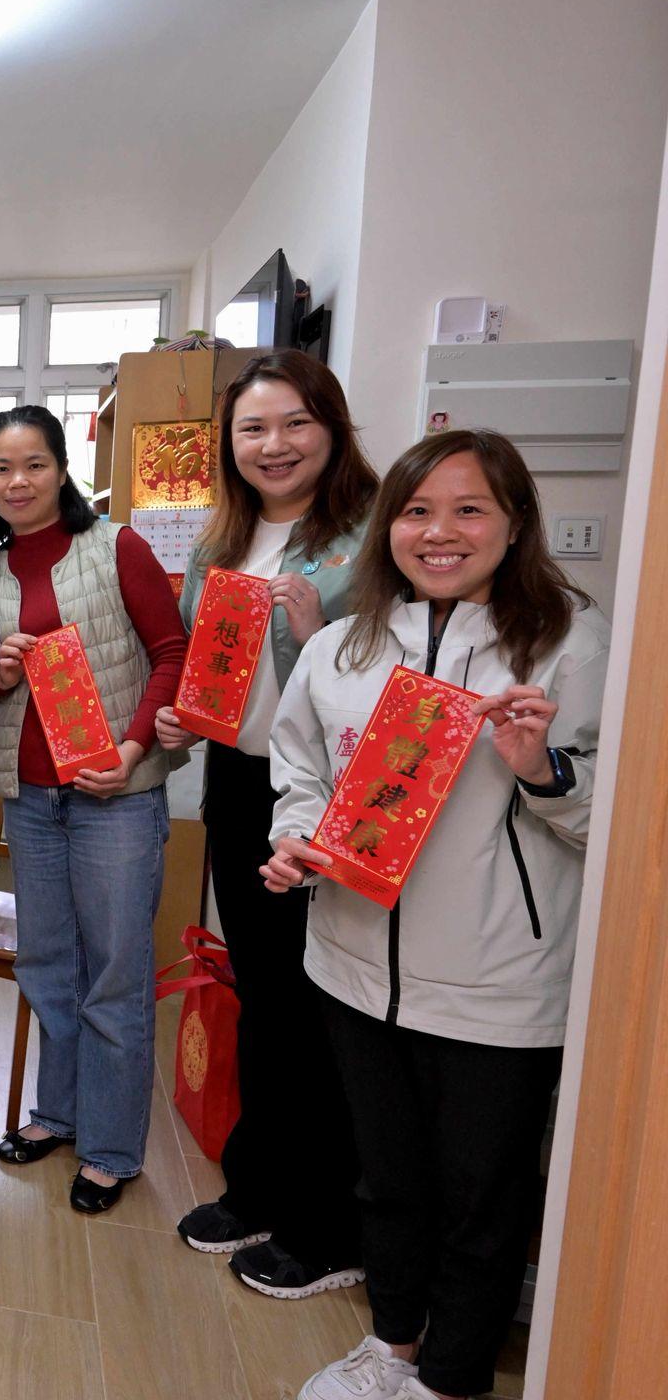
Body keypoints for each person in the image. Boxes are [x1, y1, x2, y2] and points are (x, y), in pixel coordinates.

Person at [267, 431, 606, 1400]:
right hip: (350, 960)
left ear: (513, 523)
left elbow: (619, 825)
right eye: (416, 510)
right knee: (385, 1177)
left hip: (497, 977)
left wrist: (542, 771)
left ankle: (452, 1376)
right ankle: (393, 1346)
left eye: (467, 509)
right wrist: (297, 836)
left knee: (480, 1195)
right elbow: (300, 768)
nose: (438, 531)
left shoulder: (572, 642)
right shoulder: (342, 644)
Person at [156, 349, 378, 1296]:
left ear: (330, 428)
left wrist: (306, 623)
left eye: (294, 423)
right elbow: (215, 676)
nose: (274, 445)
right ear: (229, 445)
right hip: (240, 783)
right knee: (262, 991)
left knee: (321, 1003)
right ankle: (259, 1185)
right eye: (253, 428)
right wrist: (179, 719)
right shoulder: (221, 544)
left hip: (330, 796)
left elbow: (380, 689)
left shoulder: (370, 541)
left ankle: (330, 1224)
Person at [0, 405, 186, 1214]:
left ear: (62, 471)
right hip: (31, 798)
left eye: (33, 464)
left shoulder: (115, 547)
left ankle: (109, 1147)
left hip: (116, 799)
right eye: (1, 467)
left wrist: (132, 752)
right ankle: (57, 1113)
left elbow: (170, 654)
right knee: (48, 968)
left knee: (115, 976)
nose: (17, 481)